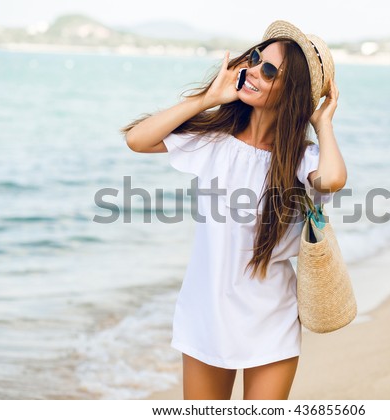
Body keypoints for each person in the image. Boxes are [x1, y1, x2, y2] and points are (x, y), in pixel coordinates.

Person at [120, 20, 347, 400]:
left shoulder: (300, 160)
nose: (253, 71)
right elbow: (138, 140)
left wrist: (322, 123)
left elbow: (333, 179)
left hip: (270, 318)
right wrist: (207, 99)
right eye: (256, 59)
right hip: (205, 312)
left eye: (269, 71)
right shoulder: (214, 141)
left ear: (290, 93)